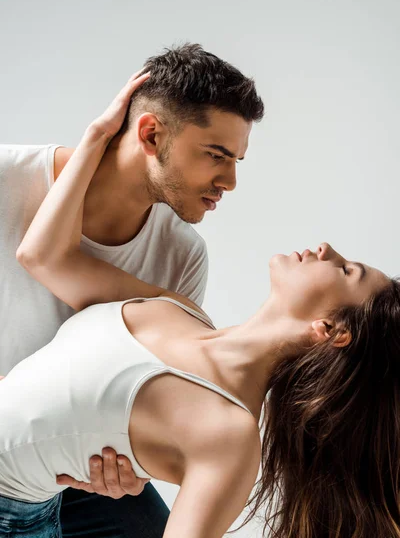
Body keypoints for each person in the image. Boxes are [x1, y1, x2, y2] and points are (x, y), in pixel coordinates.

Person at [1, 76, 399, 538]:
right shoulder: (176, 308)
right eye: (218, 154)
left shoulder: (230, 438)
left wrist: (128, 474)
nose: (329, 249)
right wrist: (99, 135)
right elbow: (43, 257)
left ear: (331, 329)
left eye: (347, 270)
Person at [0, 46, 264, 536]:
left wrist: (128, 467)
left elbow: (141, 387)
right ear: (150, 133)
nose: (229, 181)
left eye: (236, 160)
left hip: (70, 467)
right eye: (216, 155)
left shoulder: (182, 256)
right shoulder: (6, 180)